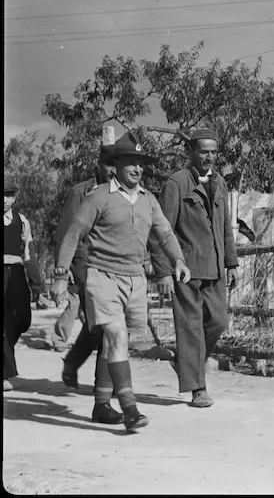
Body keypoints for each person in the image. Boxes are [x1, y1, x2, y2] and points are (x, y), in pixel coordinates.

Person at [52, 131, 191, 433]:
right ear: (117, 164)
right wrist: (61, 275)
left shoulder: (149, 200)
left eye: (141, 164)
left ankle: (101, 405)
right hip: (102, 276)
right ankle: (130, 408)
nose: (138, 169)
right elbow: (73, 234)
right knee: (116, 337)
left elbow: (165, 234)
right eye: (131, 162)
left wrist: (178, 261)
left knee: (117, 341)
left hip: (135, 279)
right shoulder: (98, 196)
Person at [151, 129, 238, 408]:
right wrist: (163, 270)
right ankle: (197, 388)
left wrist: (231, 263)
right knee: (190, 327)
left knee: (219, 321)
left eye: (213, 152)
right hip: (185, 268)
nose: (209, 157)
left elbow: (225, 227)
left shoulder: (220, 183)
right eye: (203, 152)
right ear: (191, 152)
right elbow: (161, 230)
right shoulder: (176, 183)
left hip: (214, 267)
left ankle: (187, 363)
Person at [52, 144, 116, 359]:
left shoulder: (123, 194)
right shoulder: (80, 192)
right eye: (108, 165)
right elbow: (65, 234)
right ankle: (103, 384)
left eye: (117, 165)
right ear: (98, 165)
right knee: (101, 320)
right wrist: (62, 271)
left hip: (113, 266)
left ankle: (80, 366)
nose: (113, 170)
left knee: (103, 322)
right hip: (84, 265)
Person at [4, 177, 43, 391]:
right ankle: (5, 373)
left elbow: (29, 252)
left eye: (8, 195)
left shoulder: (22, 220)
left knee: (22, 320)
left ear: (14, 198)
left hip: (17, 274)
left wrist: (36, 283)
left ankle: (6, 349)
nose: (4, 200)